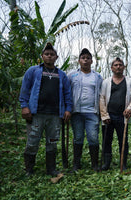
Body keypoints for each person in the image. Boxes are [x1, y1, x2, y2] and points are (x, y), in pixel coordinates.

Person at [19, 42, 72, 176]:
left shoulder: (61, 74)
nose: (49, 56)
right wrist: (24, 106)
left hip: (55, 115)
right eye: (46, 54)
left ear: (56, 57)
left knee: (52, 141)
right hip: (36, 113)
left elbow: (67, 93)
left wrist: (68, 109)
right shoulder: (34, 71)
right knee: (32, 141)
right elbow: (24, 89)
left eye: (52, 54)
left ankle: (51, 169)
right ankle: (29, 169)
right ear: (42, 56)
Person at [99, 57, 131, 171]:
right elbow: (101, 98)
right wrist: (104, 115)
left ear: (124, 67)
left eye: (120, 65)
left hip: (123, 116)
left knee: (123, 140)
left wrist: (130, 109)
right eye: (115, 65)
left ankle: (123, 163)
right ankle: (106, 163)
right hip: (109, 117)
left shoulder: (130, 81)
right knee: (107, 140)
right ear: (111, 68)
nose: (118, 67)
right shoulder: (106, 82)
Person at [68, 48, 103, 172]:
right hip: (76, 112)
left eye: (88, 58)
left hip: (92, 112)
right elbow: (67, 92)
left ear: (92, 61)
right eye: (83, 58)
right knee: (78, 137)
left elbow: (101, 95)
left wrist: (102, 112)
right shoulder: (72, 75)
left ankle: (94, 164)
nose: (85, 60)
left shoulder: (97, 76)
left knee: (93, 137)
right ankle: (76, 164)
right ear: (79, 61)